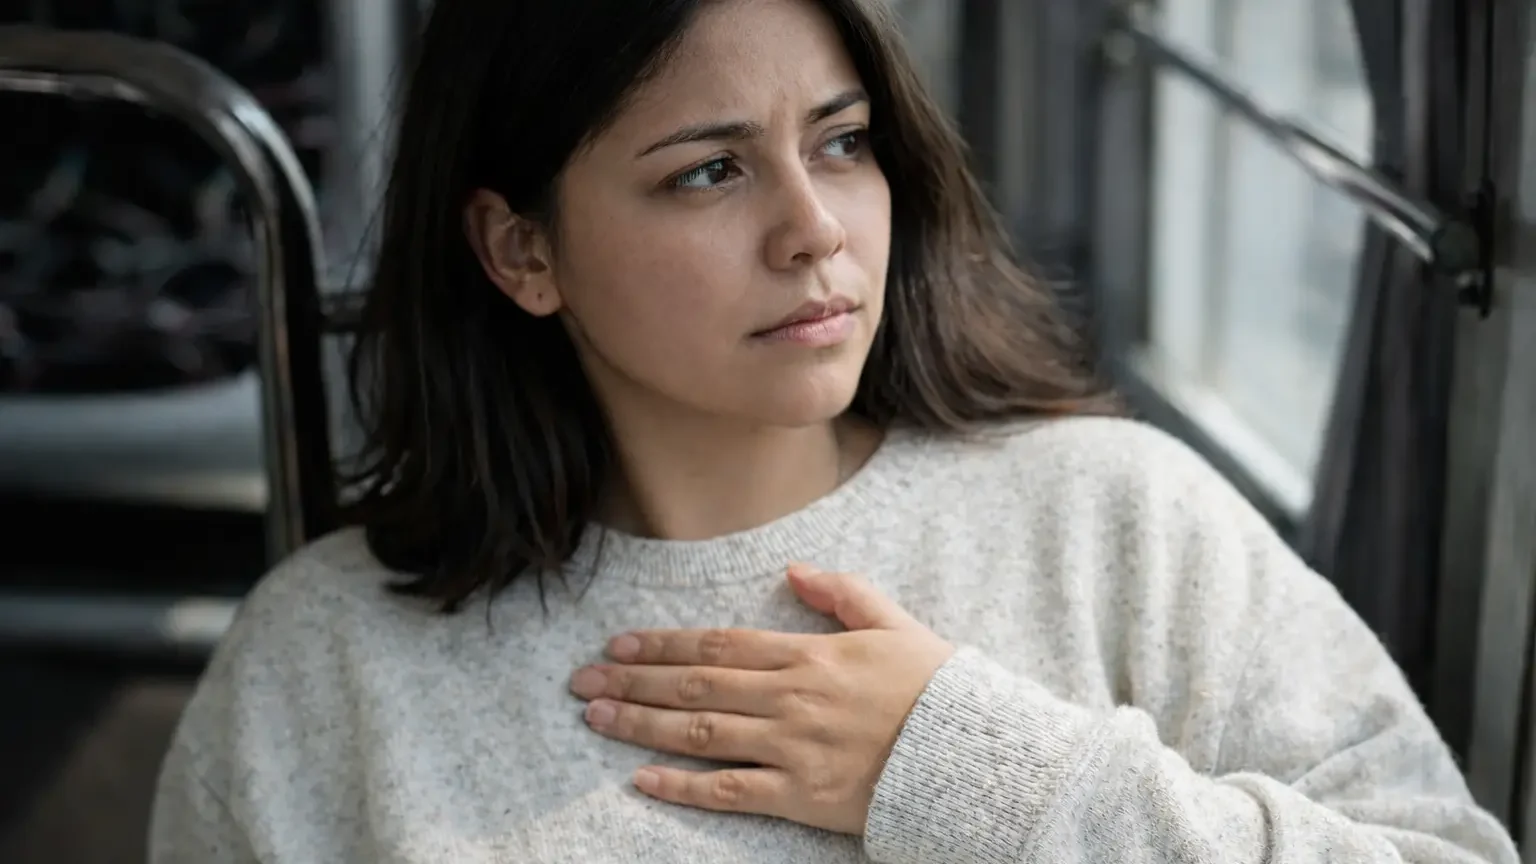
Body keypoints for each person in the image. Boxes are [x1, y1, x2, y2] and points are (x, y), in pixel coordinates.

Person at [147, 0, 1519, 861]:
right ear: (522, 252)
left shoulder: (1119, 520)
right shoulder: (322, 669)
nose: (813, 227)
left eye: (844, 143)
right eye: (709, 171)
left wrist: (979, 775)